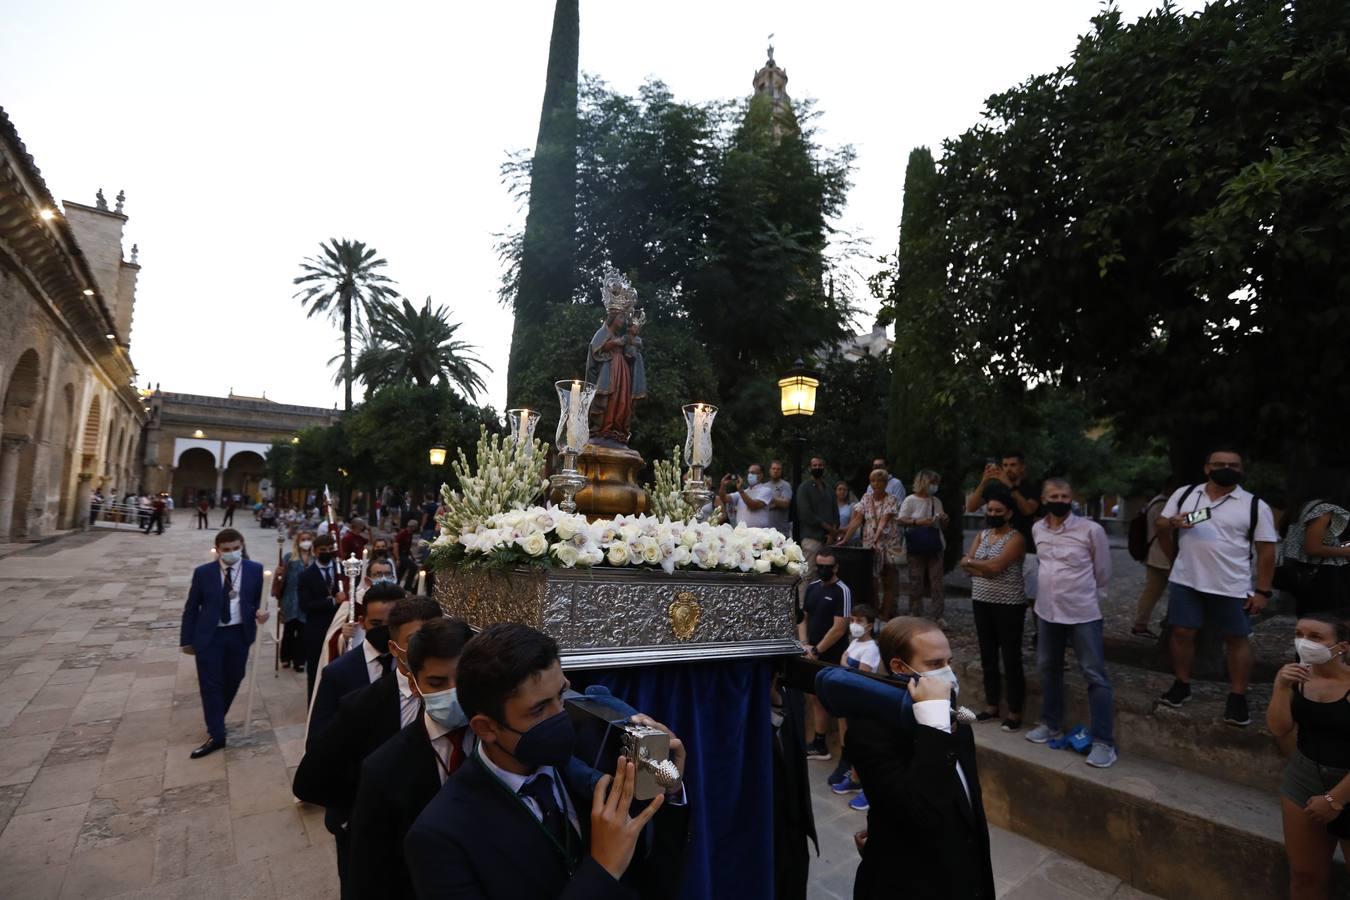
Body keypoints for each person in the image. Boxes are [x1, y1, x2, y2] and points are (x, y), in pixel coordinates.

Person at [405, 622, 690, 899]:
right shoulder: (440, 837)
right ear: (486, 728)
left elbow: (657, 882)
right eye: (539, 709)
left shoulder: (594, 754)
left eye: (562, 694)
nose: (561, 715)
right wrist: (603, 868)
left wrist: (668, 787)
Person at [294, 596, 443, 897]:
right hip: (375, 845)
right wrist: (356, 815)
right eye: (417, 642)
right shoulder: (362, 705)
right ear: (395, 648)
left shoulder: (459, 698)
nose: (427, 652)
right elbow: (312, 778)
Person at [842, 616, 995, 899]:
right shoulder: (869, 732)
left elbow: (967, 805)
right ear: (900, 667)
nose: (948, 673)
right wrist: (933, 726)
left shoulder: (954, 718)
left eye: (949, 662)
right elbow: (919, 810)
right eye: (935, 665)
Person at [348, 616, 475, 900]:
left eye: (463, 679)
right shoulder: (384, 770)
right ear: (414, 684)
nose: (453, 692)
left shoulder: (498, 739)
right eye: (436, 682)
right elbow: (369, 876)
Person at [1155, 447, 1278, 726]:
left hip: (1231, 585)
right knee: (1182, 632)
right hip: (1187, 581)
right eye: (1219, 464)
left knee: (1236, 638)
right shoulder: (1186, 494)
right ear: (1207, 468)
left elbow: (1267, 550)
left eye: (1233, 465)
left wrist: (1262, 590)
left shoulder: (1254, 505)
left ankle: (1237, 696)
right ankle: (1182, 684)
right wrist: (1172, 524)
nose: (1226, 468)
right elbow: (1160, 524)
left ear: (1241, 470)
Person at [1025, 479, 1116, 768]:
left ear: (1072, 498)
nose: (1060, 500)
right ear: (1043, 499)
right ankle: (1051, 724)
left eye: (1065, 495)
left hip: (1082, 613)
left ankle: (1104, 742)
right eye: (1054, 496)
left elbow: (1103, 571)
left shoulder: (1091, 530)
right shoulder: (1037, 528)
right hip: (1047, 612)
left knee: (1094, 674)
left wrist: (1089, 595)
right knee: (1048, 668)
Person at [1266, 612, 1350, 900]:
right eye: (1300, 634)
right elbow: (1279, 728)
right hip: (1303, 779)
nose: (1304, 642)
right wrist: (1280, 686)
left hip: (1347, 783)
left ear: (1342, 647)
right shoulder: (1297, 677)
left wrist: (1335, 799)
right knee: (1304, 877)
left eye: (1316, 637)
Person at [179, 528, 269, 759]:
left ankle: (216, 716)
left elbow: (259, 600)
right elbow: (191, 608)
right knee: (210, 685)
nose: (231, 553)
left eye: (235, 549)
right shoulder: (204, 573)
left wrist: (262, 613)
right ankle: (217, 733)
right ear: (217, 550)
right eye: (226, 550)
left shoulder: (255, 570)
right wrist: (187, 641)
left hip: (239, 634)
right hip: (210, 636)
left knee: (233, 678)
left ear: (242, 546)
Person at [960, 488, 1028, 731]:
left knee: (1011, 657)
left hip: (1009, 604)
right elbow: (965, 563)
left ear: (1009, 514)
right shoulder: (983, 534)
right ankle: (991, 706)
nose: (993, 514)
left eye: (998, 511)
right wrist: (981, 566)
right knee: (987, 655)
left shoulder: (1016, 538)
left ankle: (1015, 711)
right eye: (989, 510)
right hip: (981, 600)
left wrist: (975, 564)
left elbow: (997, 566)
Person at [308, 583, 403, 740]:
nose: (384, 630)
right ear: (362, 622)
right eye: (376, 624)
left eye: (392, 624)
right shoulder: (337, 673)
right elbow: (318, 739)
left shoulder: (412, 666)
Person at [798, 550, 853, 761]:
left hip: (833, 655)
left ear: (836, 567)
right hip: (812, 652)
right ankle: (819, 743)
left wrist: (818, 649)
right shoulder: (812, 588)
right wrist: (805, 644)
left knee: (837, 703)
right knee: (815, 697)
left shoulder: (842, 591)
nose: (822, 570)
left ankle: (846, 757)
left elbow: (839, 627)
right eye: (819, 565)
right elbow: (803, 617)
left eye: (827, 567)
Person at [829, 604, 881, 810]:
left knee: (862, 745)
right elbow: (844, 662)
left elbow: (862, 674)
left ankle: (869, 788)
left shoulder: (871, 649)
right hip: (847, 699)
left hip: (861, 702)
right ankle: (854, 778)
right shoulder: (855, 643)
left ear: (869, 625)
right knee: (850, 741)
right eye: (852, 620)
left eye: (859, 621)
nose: (854, 625)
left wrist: (847, 667)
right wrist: (848, 667)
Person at [836, 469, 903, 619]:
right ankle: (874, 611)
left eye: (880, 481)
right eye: (873, 481)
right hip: (870, 544)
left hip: (888, 543)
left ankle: (885, 613)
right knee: (872, 580)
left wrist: (876, 538)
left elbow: (884, 520)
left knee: (888, 579)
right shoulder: (866, 498)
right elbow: (857, 520)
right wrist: (845, 539)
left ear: (886, 483)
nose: (876, 484)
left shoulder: (891, 499)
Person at [1279, 496, 1350, 616]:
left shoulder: (1306, 505)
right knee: (1325, 621)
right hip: (1320, 576)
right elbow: (1312, 548)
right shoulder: (1323, 510)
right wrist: (1345, 552)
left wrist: (1339, 546)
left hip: (1303, 573)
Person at [299, 533, 348, 699]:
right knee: (315, 670)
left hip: (340, 626)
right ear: (315, 551)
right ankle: (314, 702)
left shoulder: (341, 570)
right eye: (323, 550)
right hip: (316, 629)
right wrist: (333, 601)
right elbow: (305, 605)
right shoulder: (306, 575)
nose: (327, 552)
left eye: (330, 549)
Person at [897, 469, 948, 623]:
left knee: (937, 581)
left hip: (934, 544)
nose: (935, 486)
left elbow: (942, 525)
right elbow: (900, 520)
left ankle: (938, 615)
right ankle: (915, 612)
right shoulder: (910, 500)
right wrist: (917, 522)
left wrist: (944, 519)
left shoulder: (936, 501)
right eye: (932, 482)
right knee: (915, 581)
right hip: (916, 544)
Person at [965, 451, 1042, 552]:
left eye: (1013, 465)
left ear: (1022, 467)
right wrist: (984, 481)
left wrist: (1010, 486)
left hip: (1025, 547)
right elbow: (971, 507)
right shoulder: (994, 488)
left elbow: (1028, 510)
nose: (1008, 469)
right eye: (1005, 465)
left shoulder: (1032, 488)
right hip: (996, 546)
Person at [1131, 486, 1174, 638]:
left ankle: (1140, 624)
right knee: (1180, 592)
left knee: (1151, 592)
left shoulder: (1154, 503)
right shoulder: (1164, 505)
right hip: (1164, 557)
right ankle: (1173, 623)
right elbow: (1163, 532)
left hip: (1154, 556)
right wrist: (1173, 557)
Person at [796, 457, 835, 589]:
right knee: (808, 573)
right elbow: (806, 513)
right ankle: (803, 606)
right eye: (814, 465)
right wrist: (826, 527)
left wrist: (832, 531)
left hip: (829, 539)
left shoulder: (829, 488)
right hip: (811, 537)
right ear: (810, 468)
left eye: (820, 465)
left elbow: (835, 512)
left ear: (824, 467)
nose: (817, 467)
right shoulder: (804, 488)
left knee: (826, 574)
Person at [279, 529, 315, 673]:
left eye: (308, 538)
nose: (305, 542)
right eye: (303, 539)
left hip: (306, 600)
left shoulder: (315, 559)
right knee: (288, 631)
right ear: (298, 542)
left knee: (303, 633)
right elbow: (283, 580)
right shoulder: (289, 558)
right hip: (290, 599)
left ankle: (300, 660)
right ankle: (286, 657)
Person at [718, 464, 774, 528]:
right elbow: (724, 498)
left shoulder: (766, 490)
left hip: (759, 533)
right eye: (749, 472)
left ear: (761, 475)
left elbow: (753, 506)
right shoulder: (743, 492)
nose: (750, 475)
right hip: (742, 532)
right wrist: (723, 485)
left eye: (752, 473)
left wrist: (741, 491)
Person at [766, 459, 793, 536]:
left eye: (778, 469)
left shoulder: (785, 485)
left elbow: (785, 504)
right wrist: (778, 500)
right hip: (766, 531)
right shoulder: (764, 486)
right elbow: (762, 506)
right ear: (769, 470)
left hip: (782, 531)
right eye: (773, 468)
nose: (775, 471)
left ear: (781, 471)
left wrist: (770, 498)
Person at [834, 482, 859, 546]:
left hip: (849, 539)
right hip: (833, 538)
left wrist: (837, 531)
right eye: (840, 489)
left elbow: (852, 524)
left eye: (845, 490)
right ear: (835, 491)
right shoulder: (831, 506)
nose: (842, 491)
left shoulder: (852, 506)